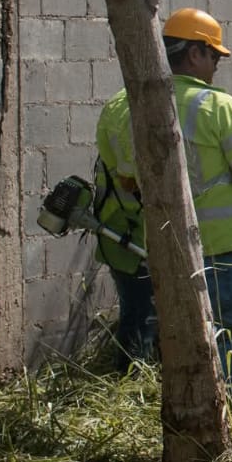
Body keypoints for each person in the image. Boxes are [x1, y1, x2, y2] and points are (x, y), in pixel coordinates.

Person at [108, 7, 232, 386]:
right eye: (213, 55)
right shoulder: (219, 106)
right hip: (224, 249)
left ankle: (186, 405)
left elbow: (127, 182)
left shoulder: (124, 107)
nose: (217, 64)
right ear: (194, 53)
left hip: (164, 248)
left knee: (183, 339)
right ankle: (213, 404)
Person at [93, 88, 156, 372]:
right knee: (140, 313)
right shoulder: (135, 111)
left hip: (127, 228)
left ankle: (143, 372)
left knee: (143, 312)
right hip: (129, 232)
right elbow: (131, 180)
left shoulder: (122, 101)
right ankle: (131, 377)